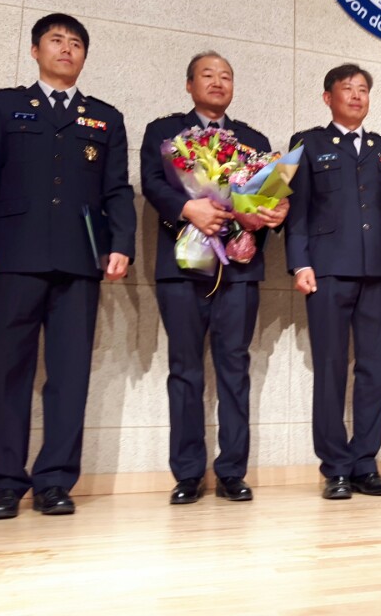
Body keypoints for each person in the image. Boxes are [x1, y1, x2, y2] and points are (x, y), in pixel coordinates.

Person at [0, 13, 136, 519]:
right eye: (56, 40)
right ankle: (5, 484)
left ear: (84, 56)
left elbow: (117, 190)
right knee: (9, 372)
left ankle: (55, 481)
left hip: (80, 259)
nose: (66, 49)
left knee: (70, 374)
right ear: (36, 50)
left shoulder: (105, 118)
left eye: (76, 43)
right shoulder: (2, 105)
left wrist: (121, 243)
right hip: (15, 255)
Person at [140, 51, 288, 505]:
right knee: (184, 370)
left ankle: (232, 472)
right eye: (207, 75)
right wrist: (189, 208)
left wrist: (270, 216)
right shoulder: (164, 132)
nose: (218, 81)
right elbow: (153, 184)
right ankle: (187, 474)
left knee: (235, 368)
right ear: (189, 85)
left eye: (226, 76)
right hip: (183, 267)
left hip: (238, 271)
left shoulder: (253, 140)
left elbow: (268, 198)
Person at [285, 64, 381, 500]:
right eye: (348, 88)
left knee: (376, 372)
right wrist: (299, 264)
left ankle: (364, 464)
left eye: (363, 89)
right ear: (328, 97)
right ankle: (336, 468)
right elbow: (298, 210)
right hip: (327, 270)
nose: (357, 96)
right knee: (330, 369)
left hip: (378, 269)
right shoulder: (308, 143)